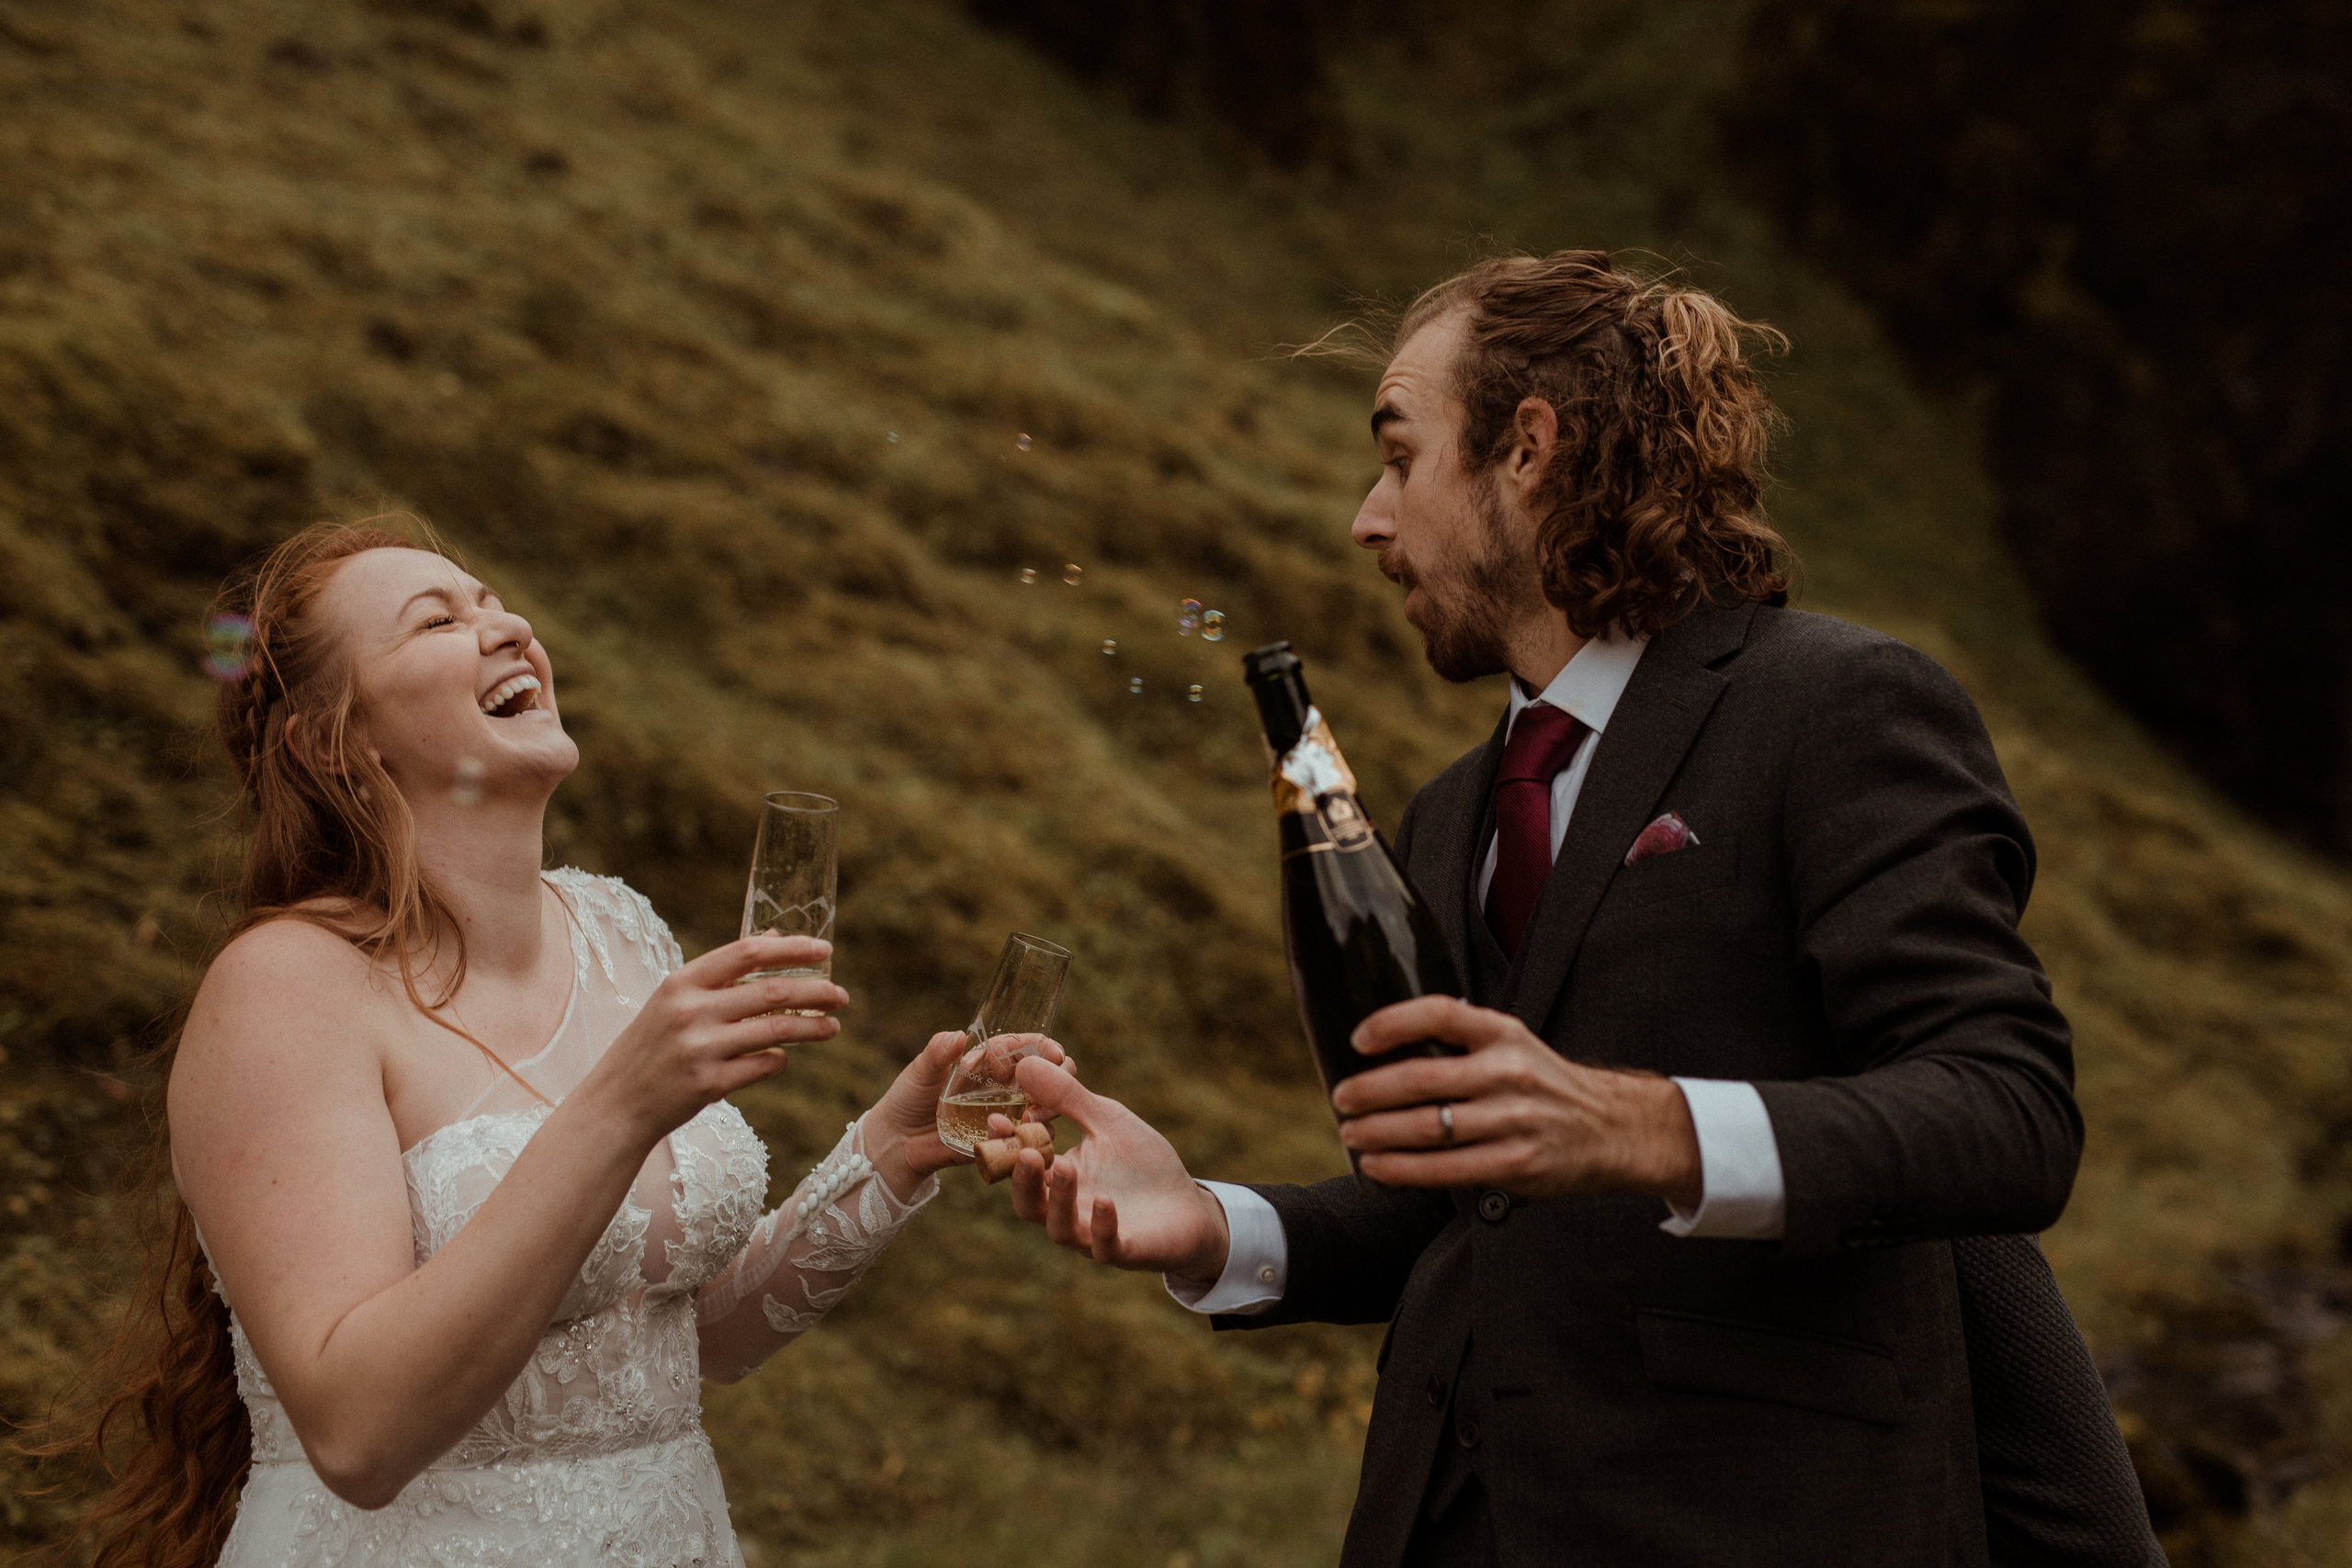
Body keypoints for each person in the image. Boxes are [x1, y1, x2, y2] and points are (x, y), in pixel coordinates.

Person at [1000, 253, 2165, 1565]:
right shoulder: (1446, 817)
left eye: (1399, 457)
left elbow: (2009, 1110)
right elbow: (1477, 1208)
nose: (1365, 520)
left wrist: (1643, 1123)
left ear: (1529, 448)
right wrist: (1219, 1222)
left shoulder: (1832, 706)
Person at [57, 520, 1036, 1568]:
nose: (507, 627)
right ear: (336, 741)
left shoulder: (619, 934)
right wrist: (619, 1110)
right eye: (438, 620)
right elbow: (357, 1436)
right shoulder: (287, 990)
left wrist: (886, 1155)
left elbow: (678, 1346)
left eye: (493, 602)